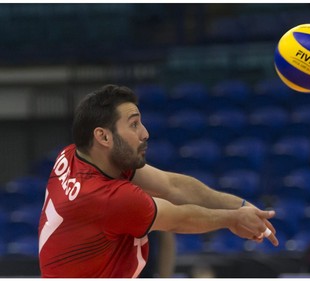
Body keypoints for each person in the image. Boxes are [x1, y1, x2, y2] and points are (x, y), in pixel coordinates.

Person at [38, 84, 279, 278]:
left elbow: (172, 186)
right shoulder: (109, 198)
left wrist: (241, 206)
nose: (145, 133)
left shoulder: (72, 155)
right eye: (134, 124)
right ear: (103, 136)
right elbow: (180, 218)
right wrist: (233, 219)